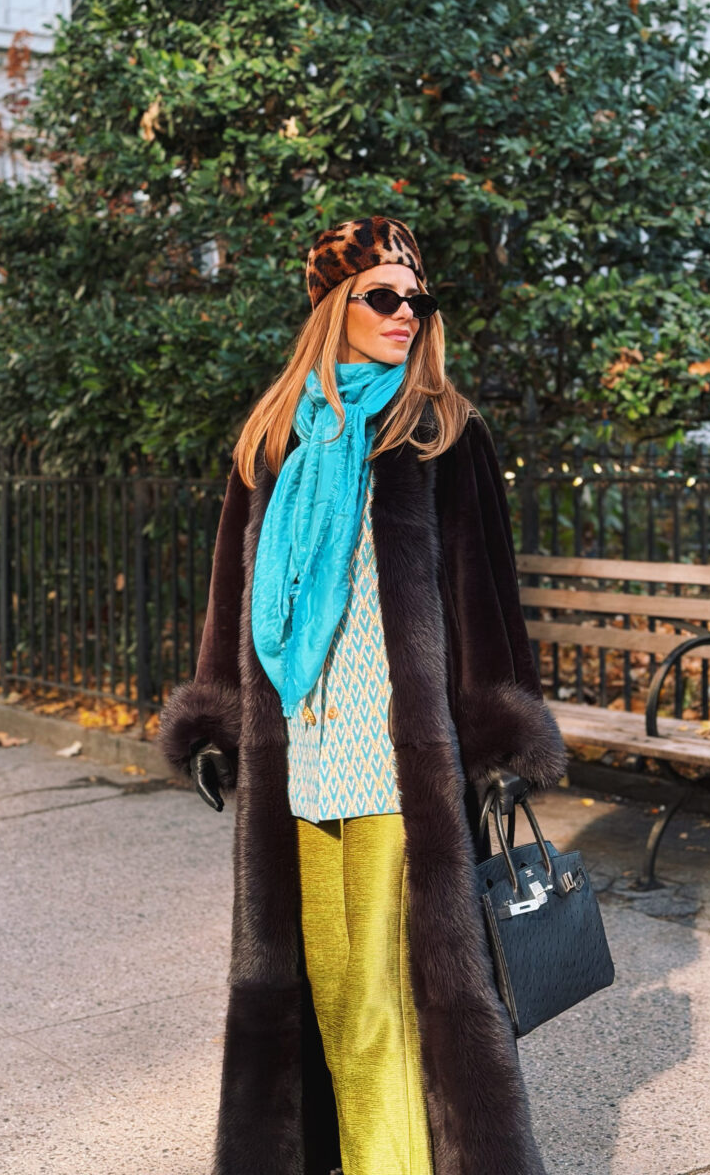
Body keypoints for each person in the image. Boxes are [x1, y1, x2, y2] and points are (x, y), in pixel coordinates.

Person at [159, 216, 567, 1175]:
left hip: (397, 759)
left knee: (388, 996)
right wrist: (214, 721)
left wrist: (501, 735)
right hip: (298, 752)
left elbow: (486, 596)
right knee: (333, 994)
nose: (404, 312)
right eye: (383, 295)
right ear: (333, 306)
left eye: (416, 298)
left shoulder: (440, 432)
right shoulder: (274, 438)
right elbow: (232, 596)